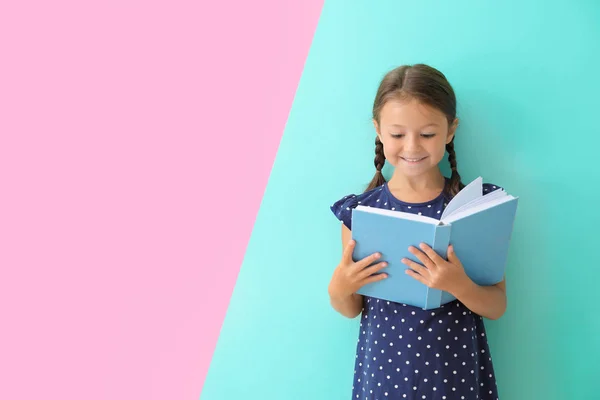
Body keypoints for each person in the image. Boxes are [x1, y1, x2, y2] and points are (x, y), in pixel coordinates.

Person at [329, 64, 506, 400]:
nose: (411, 147)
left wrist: (458, 285)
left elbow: (497, 305)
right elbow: (350, 307)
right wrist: (340, 286)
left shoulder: (476, 209)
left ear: (451, 131)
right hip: (384, 373)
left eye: (427, 134)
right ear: (378, 131)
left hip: (454, 374)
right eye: (397, 135)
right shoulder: (361, 214)